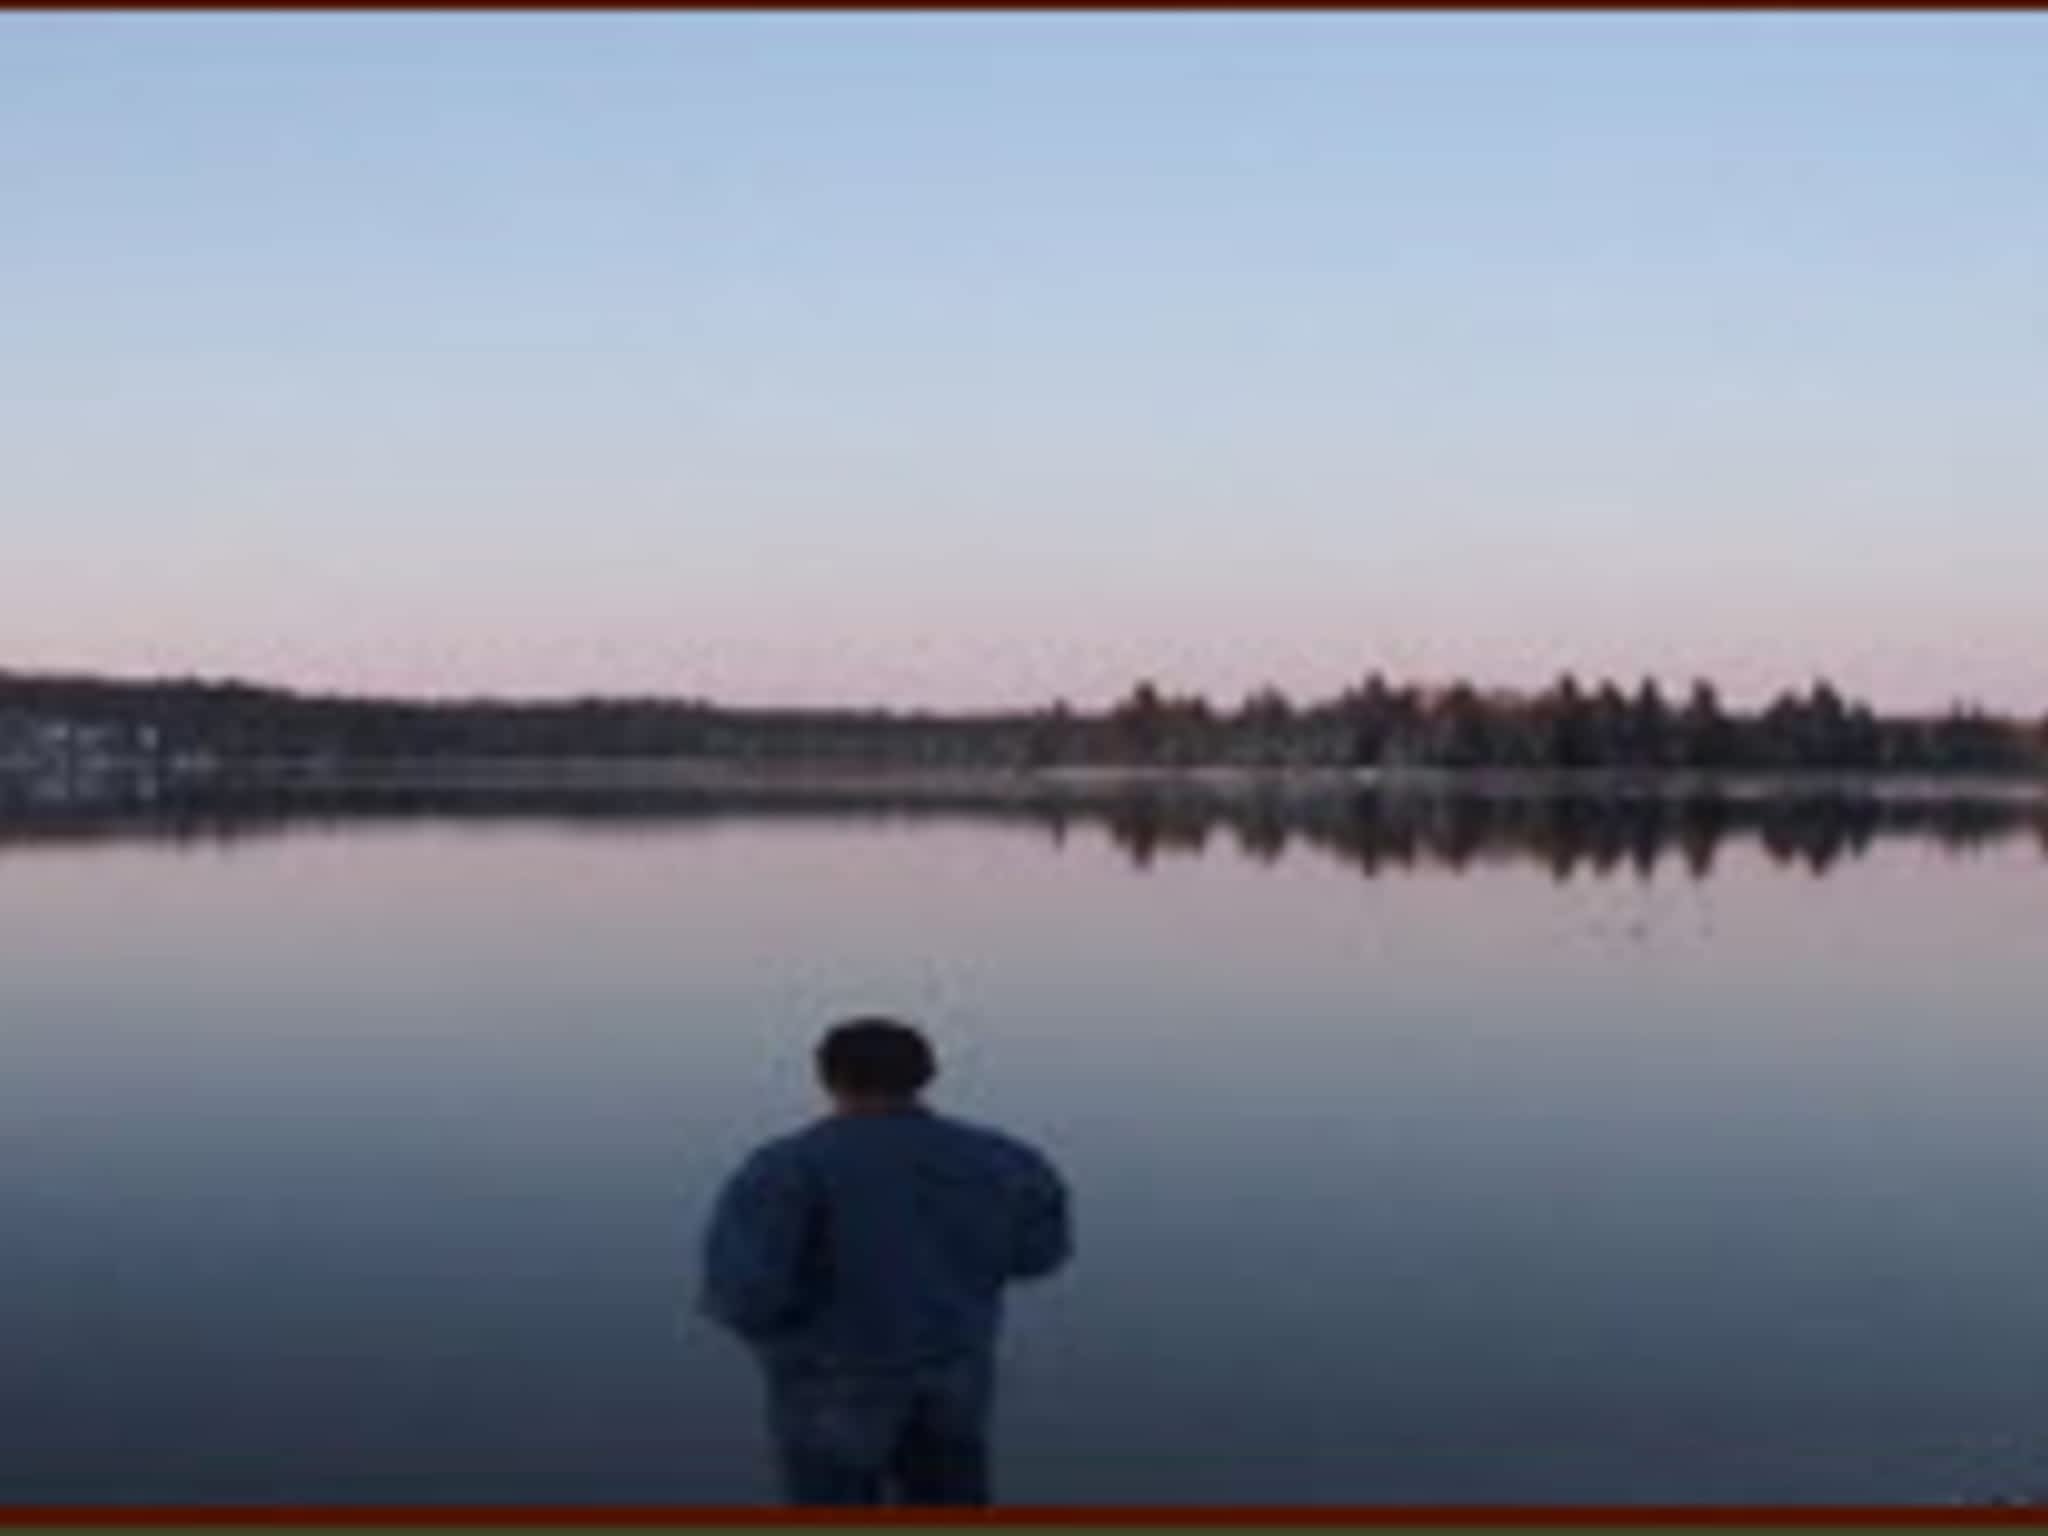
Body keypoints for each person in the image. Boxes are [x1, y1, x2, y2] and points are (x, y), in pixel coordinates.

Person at [699, 1016, 1071, 1507]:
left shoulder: (787, 1167)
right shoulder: (1002, 1159)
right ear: (926, 1075)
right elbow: (1040, 1254)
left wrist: (782, 1341)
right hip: (955, 1367)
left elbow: (743, 1296)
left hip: (830, 1380)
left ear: (827, 1078)